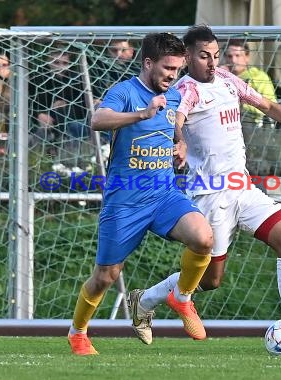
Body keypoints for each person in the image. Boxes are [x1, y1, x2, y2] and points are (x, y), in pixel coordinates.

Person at [128, 25, 281, 347]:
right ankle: (146, 299)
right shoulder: (183, 91)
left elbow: (266, 106)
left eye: (215, 55)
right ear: (187, 57)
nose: (211, 62)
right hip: (210, 194)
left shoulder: (226, 79)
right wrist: (179, 142)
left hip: (243, 188)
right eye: (203, 56)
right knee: (210, 280)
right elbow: (175, 122)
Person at [67, 32, 214, 356]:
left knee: (204, 238)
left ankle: (181, 297)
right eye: (167, 68)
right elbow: (98, 120)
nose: (173, 75)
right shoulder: (124, 92)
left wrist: (181, 144)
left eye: (177, 69)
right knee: (106, 277)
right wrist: (142, 114)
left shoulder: (173, 95)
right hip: (125, 199)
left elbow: (174, 126)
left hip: (163, 194)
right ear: (148, 63)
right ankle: (78, 332)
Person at [31, 49, 90, 166]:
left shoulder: (76, 80)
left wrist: (66, 104)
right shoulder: (38, 79)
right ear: (48, 62)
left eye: (65, 63)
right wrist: (38, 114)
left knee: (65, 120)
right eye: (56, 63)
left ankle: (69, 162)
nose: (60, 67)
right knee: (42, 134)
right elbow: (29, 103)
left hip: (69, 121)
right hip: (44, 123)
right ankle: (49, 161)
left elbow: (83, 106)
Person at [222, 40, 277, 128]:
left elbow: (271, 106)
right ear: (225, 58)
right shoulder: (219, 77)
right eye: (229, 56)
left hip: (253, 125)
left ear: (247, 57)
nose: (233, 60)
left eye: (237, 55)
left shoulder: (259, 77)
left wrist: (242, 105)